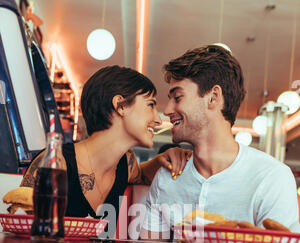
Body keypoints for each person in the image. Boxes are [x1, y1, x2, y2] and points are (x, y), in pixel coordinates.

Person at [140, 45, 299, 241]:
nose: (168, 109)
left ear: (213, 97)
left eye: (178, 97)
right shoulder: (166, 177)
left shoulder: (272, 178)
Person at [21, 65, 189, 226]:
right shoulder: (56, 164)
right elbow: (23, 230)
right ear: (120, 106)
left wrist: (163, 159)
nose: (159, 119)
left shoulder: (126, 164)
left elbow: (142, 175)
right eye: (150, 105)